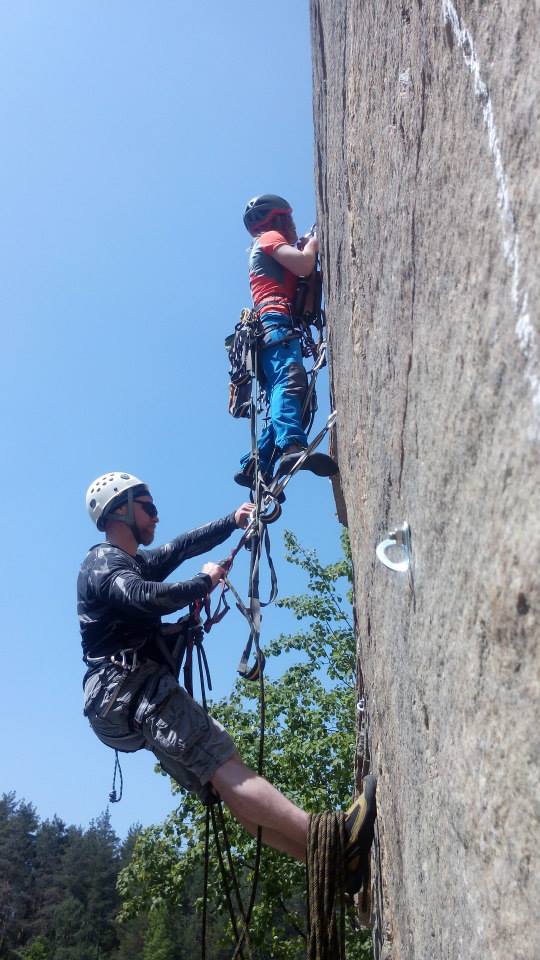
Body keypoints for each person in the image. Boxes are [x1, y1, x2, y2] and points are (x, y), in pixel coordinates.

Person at [78, 471, 376, 891]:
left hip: (120, 699)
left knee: (222, 781)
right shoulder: (102, 561)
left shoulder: (131, 562)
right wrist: (204, 581)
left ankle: (329, 867)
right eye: (148, 506)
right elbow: (142, 595)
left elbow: (180, 547)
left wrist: (233, 520)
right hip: (127, 687)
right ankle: (334, 838)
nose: (157, 515)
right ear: (120, 510)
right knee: (224, 763)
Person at [235, 194, 338, 489]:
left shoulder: (267, 240)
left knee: (292, 393)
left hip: (272, 330)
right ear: (277, 219)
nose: (293, 225)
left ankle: (257, 463)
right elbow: (304, 266)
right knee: (289, 382)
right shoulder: (270, 237)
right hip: (275, 323)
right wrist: (314, 244)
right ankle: (292, 447)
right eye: (289, 219)